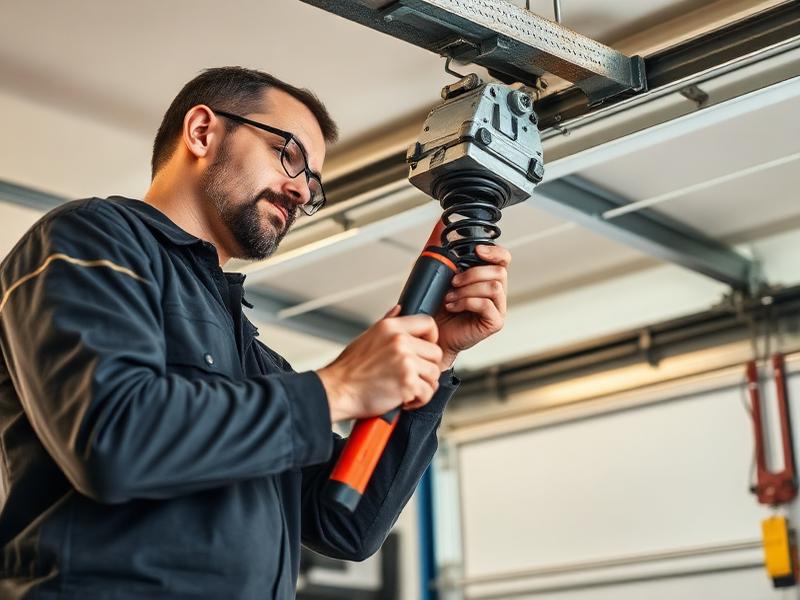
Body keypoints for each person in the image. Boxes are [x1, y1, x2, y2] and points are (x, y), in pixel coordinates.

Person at [0, 66, 511, 599]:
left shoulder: (251, 359)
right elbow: (111, 439)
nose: (299, 189)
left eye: (312, 182)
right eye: (288, 154)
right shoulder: (90, 239)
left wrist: (437, 348)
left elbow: (347, 524)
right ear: (202, 131)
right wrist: (335, 388)